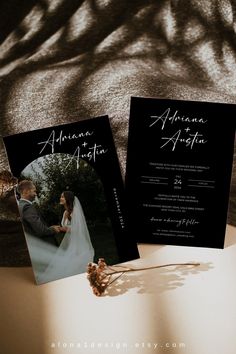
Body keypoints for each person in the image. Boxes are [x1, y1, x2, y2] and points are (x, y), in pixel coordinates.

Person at [17, 180, 60, 246]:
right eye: (34, 191)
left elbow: (33, 228)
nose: (36, 194)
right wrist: (53, 229)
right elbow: (41, 230)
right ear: (26, 191)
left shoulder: (20, 206)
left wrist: (49, 228)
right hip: (45, 245)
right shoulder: (27, 207)